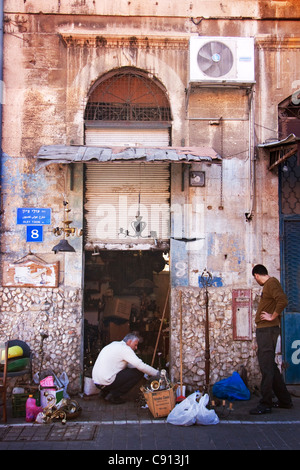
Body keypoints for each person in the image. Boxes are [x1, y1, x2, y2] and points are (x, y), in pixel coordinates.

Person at [250, 264, 293, 415]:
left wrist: (272, 316)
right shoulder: (270, 284)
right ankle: (285, 400)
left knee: (266, 367)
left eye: (255, 278)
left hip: (267, 330)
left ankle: (265, 403)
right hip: (266, 331)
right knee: (271, 367)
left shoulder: (271, 283)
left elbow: (283, 300)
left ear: (256, 275)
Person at [92, 333, 159, 404]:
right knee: (138, 373)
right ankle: (114, 395)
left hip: (97, 382)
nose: (136, 348)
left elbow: (131, 365)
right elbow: (140, 365)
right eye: (135, 345)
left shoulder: (114, 344)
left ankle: (104, 392)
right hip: (106, 382)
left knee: (126, 370)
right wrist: (157, 373)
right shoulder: (126, 349)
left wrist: (147, 372)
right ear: (129, 342)